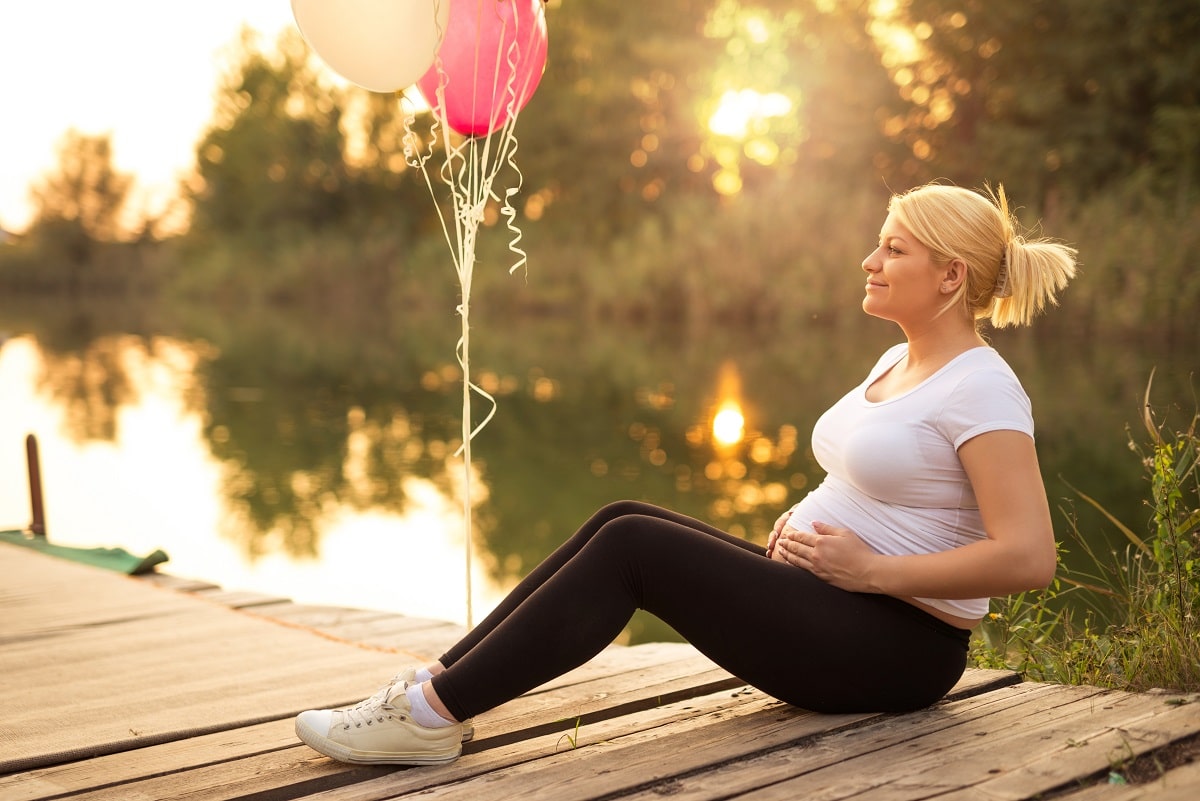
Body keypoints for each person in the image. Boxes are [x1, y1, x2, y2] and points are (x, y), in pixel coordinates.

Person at [294, 182, 1079, 766]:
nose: (869, 260)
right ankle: (435, 683)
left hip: (898, 647)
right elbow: (878, 485)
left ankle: (428, 718)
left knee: (634, 546)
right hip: (835, 604)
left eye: (894, 249)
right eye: (879, 243)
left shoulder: (983, 387)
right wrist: (806, 528)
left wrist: (873, 569)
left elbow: (1028, 556)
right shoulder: (897, 358)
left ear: (950, 277)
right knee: (619, 513)